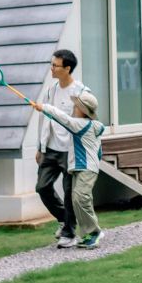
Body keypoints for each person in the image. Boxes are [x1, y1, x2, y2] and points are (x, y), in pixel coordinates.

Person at [31, 49, 95, 248]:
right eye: (51, 64)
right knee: (42, 187)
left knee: (69, 193)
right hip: (50, 149)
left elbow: (85, 122)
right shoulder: (51, 90)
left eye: (55, 66)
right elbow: (44, 120)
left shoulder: (82, 93)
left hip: (70, 151)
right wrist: (40, 147)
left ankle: (69, 232)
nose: (51, 69)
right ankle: (63, 218)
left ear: (67, 69)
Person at [33, 90, 107, 249]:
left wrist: (43, 107)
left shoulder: (80, 125)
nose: (73, 107)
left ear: (82, 110)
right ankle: (88, 232)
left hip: (86, 168)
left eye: (76, 105)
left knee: (80, 198)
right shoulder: (91, 125)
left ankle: (95, 232)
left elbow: (62, 118)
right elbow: (99, 150)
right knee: (77, 200)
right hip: (80, 168)